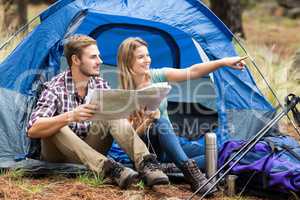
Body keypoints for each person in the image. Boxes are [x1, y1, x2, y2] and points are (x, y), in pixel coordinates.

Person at [27, 35, 170, 189]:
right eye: (94, 57)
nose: (100, 61)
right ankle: (108, 169)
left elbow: (122, 128)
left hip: (92, 149)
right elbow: (33, 129)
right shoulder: (54, 88)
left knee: (112, 113)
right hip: (58, 156)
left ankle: (146, 163)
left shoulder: (100, 85)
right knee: (58, 124)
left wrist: (141, 117)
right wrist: (70, 116)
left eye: (99, 56)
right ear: (76, 60)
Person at [117, 37, 246, 194]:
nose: (147, 60)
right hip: (147, 150)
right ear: (128, 61)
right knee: (162, 121)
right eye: (141, 57)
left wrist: (223, 62)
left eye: (148, 55)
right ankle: (191, 174)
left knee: (217, 155)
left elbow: (192, 71)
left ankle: (173, 167)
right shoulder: (122, 94)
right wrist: (149, 120)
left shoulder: (156, 76)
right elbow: (129, 139)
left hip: (170, 142)